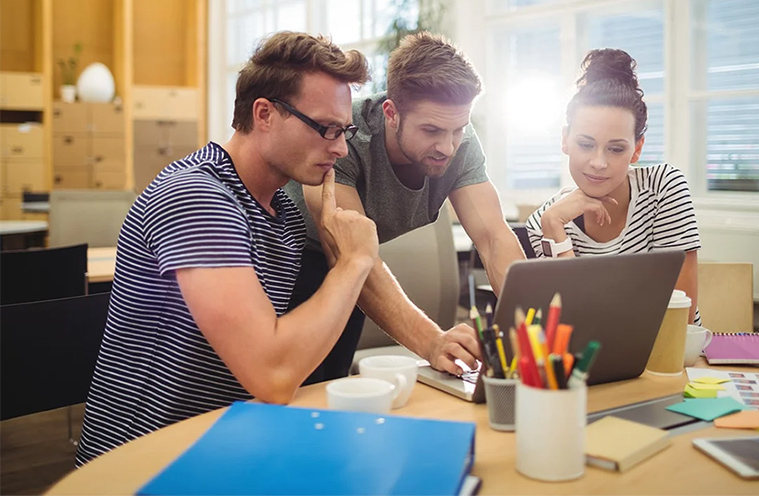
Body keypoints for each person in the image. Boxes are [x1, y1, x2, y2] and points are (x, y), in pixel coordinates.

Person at [76, 32, 378, 465]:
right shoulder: (196, 196)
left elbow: (284, 357)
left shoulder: (285, 218)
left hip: (228, 444)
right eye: (326, 128)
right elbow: (272, 375)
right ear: (265, 114)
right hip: (146, 461)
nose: (340, 147)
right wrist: (355, 261)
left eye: (344, 130)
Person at [286, 32, 526, 383]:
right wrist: (432, 342)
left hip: (354, 270)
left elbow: (492, 238)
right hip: (290, 262)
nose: (447, 146)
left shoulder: (460, 143)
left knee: (335, 387)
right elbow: (350, 255)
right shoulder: (343, 136)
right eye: (431, 130)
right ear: (391, 113)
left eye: (458, 129)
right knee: (296, 394)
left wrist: (533, 330)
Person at [525, 48, 702, 324]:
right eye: (585, 144)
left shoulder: (663, 187)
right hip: (592, 365)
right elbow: (570, 325)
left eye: (616, 149)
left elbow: (682, 317)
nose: (598, 163)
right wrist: (554, 227)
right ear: (565, 140)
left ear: (637, 149)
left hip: (669, 359)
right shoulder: (545, 221)